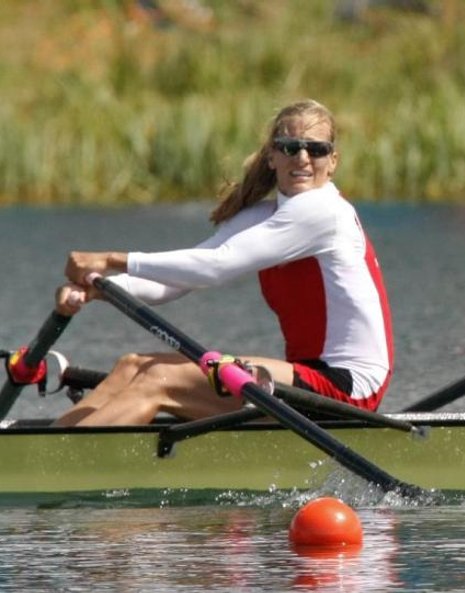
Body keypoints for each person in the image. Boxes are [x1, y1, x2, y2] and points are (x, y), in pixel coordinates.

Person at [52, 99, 394, 426]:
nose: (303, 158)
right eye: (290, 147)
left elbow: (216, 266)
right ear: (273, 156)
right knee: (131, 366)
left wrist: (112, 260)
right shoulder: (263, 215)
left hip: (347, 388)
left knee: (158, 377)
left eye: (316, 149)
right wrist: (97, 290)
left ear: (332, 160)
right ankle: (46, 455)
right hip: (304, 374)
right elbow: (177, 280)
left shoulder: (324, 212)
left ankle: (57, 474)